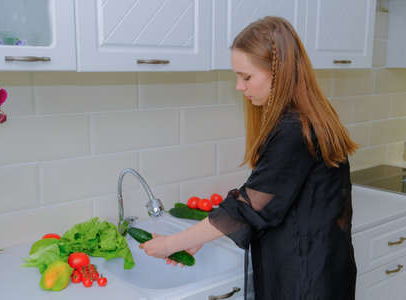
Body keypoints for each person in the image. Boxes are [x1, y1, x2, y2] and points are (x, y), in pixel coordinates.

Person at [140, 16, 358, 300]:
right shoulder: (309, 117)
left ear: (278, 73)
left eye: (246, 76)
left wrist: (172, 243)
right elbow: (264, 199)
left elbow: (247, 207)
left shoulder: (294, 130)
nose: (239, 87)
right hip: (322, 265)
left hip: (305, 277)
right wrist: (196, 240)